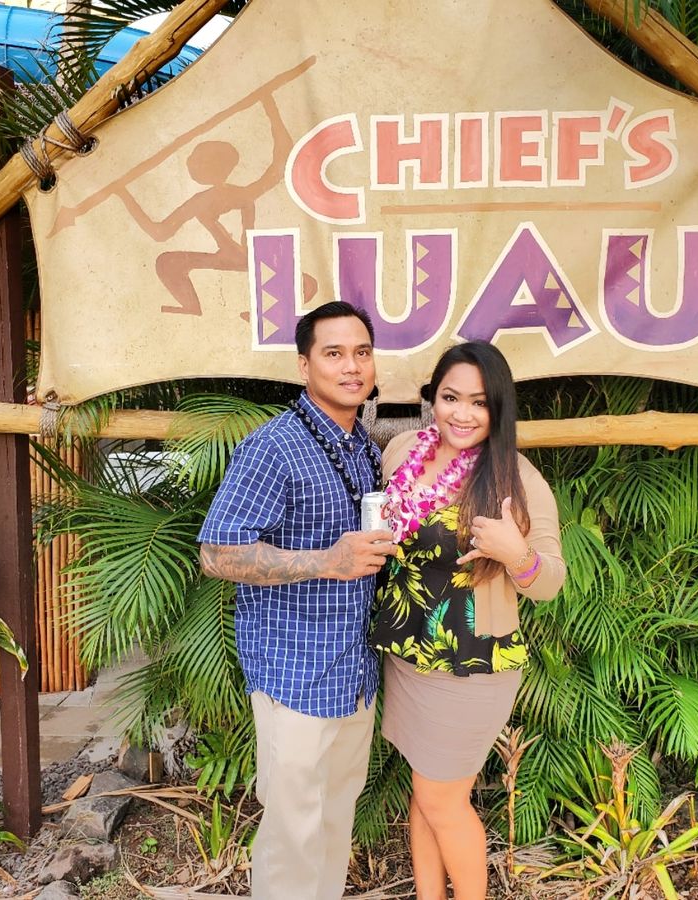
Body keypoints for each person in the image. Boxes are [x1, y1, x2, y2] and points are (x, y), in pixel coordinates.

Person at [199, 300, 396, 900]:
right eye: (334, 353)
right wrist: (326, 562)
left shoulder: (362, 447)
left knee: (334, 820)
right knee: (292, 832)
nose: (351, 366)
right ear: (304, 365)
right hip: (294, 674)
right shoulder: (275, 447)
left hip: (353, 672)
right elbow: (217, 554)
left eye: (361, 352)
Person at [370, 341, 566, 900]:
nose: (462, 414)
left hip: (471, 663)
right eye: (450, 397)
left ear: (499, 407)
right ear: (432, 399)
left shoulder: (517, 478)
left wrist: (516, 554)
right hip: (409, 653)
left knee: (443, 801)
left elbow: (550, 581)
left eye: (479, 403)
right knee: (426, 793)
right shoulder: (403, 451)